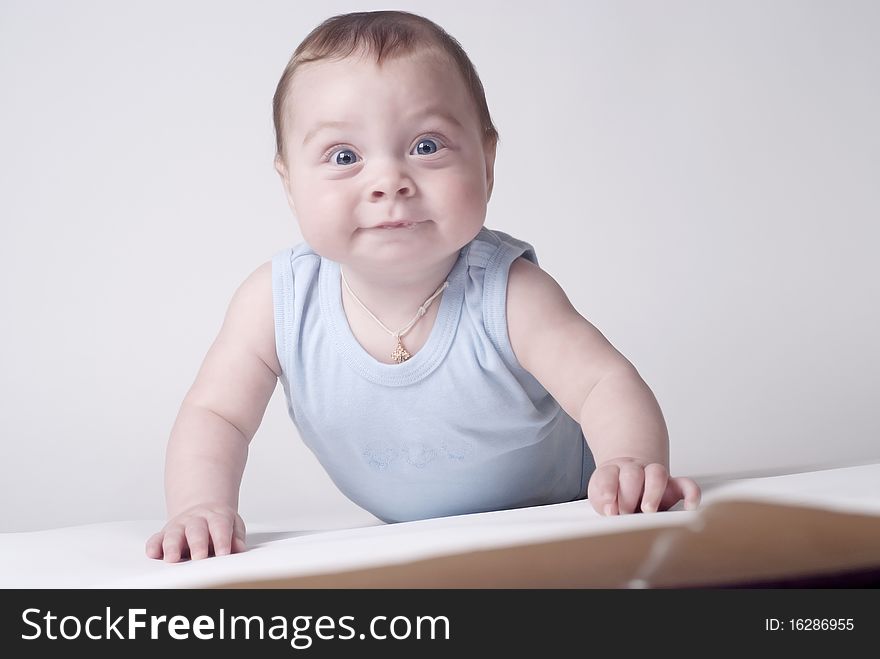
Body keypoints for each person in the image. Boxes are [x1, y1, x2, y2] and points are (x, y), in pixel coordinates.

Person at [146, 10, 701, 562]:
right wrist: (199, 506)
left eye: (427, 146)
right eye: (345, 157)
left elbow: (604, 383)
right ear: (290, 185)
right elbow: (216, 414)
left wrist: (628, 460)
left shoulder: (509, 293)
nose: (390, 181)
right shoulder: (276, 303)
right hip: (418, 548)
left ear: (486, 163)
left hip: (560, 518)